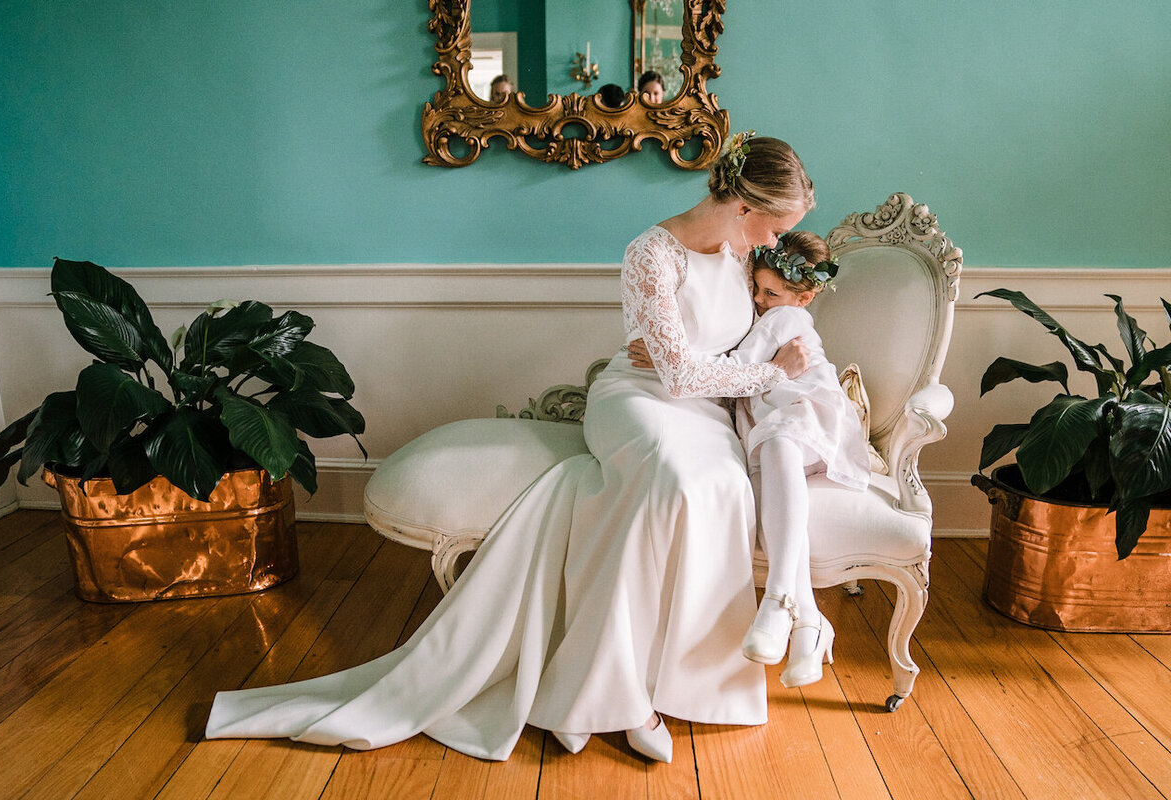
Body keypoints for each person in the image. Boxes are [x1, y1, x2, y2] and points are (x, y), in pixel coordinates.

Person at [204, 132, 815, 764]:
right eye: (776, 226)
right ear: (745, 206)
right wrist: (758, 374)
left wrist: (708, 363)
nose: (776, 243)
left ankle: (641, 686)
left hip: (703, 412)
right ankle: (619, 697)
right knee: (675, 482)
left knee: (715, 490)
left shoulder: (746, 261)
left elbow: (709, 360)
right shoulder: (652, 253)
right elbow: (678, 373)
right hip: (636, 400)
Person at [728, 233, 870, 688]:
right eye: (756, 289)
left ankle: (776, 598)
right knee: (775, 490)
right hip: (787, 426)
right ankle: (809, 624)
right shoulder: (777, 310)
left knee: (780, 442)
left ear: (804, 297)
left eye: (770, 292)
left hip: (807, 415)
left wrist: (673, 359)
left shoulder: (783, 317)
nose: (758, 300)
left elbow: (736, 371)